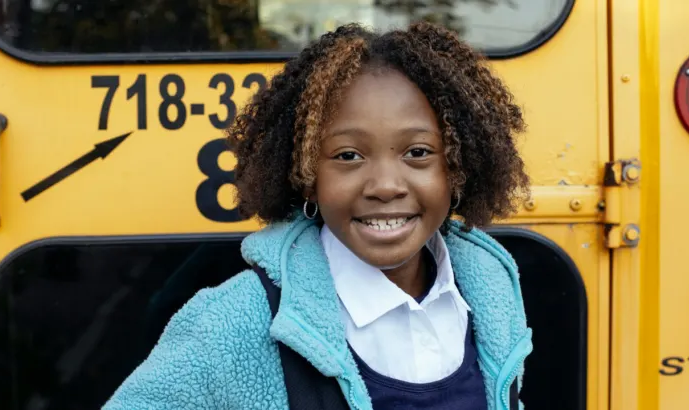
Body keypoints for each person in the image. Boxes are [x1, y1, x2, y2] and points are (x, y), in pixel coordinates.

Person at [104, 21, 532, 410]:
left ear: (457, 167)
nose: (385, 185)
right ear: (307, 175)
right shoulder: (235, 324)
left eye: (417, 153)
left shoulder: (489, 293)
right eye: (348, 155)